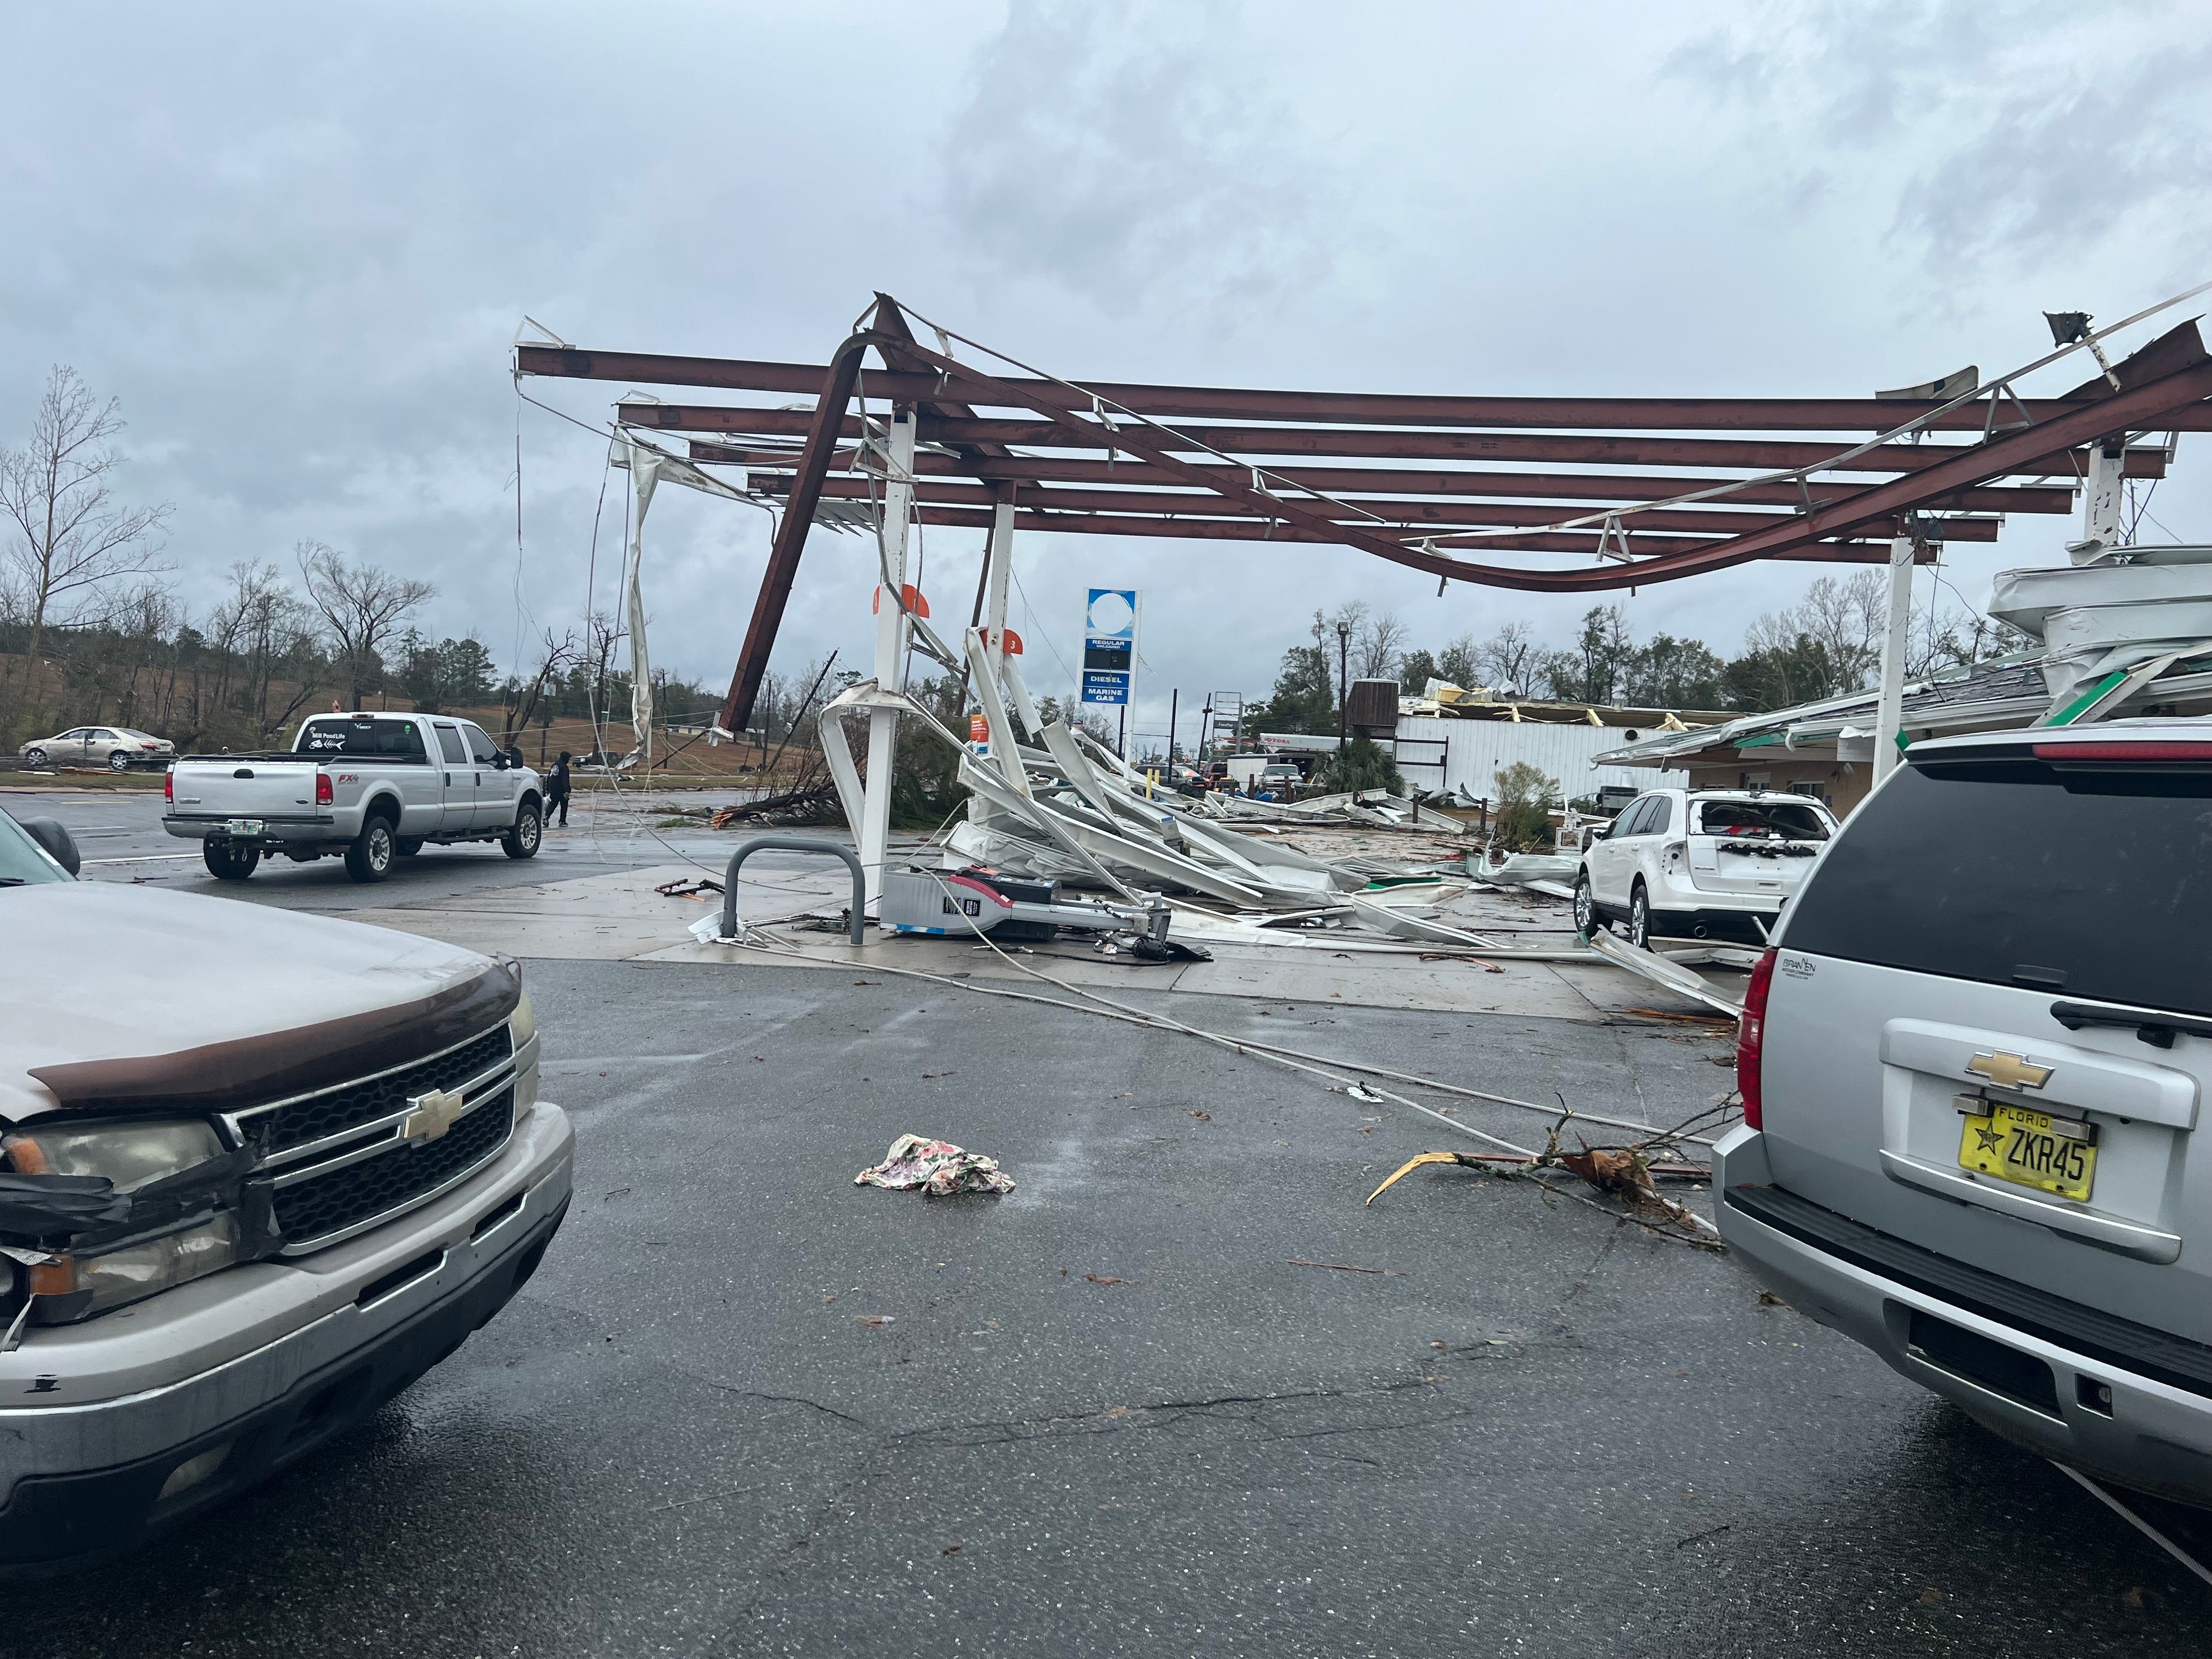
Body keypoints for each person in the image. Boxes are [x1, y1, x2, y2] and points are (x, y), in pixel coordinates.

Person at [546, 751, 572, 826]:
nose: (568, 760)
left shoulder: (555, 765)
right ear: (565, 758)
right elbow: (565, 779)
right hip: (561, 790)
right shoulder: (564, 767)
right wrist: (567, 790)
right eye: (568, 758)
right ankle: (562, 821)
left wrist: (548, 787)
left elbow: (550, 777)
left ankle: (546, 816)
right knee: (564, 804)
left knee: (553, 803)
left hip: (553, 788)